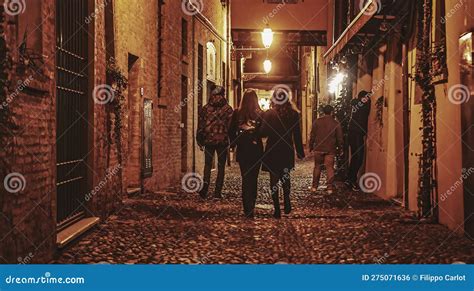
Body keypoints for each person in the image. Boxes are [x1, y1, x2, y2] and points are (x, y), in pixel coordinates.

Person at [260, 89, 305, 219]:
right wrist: (300, 152)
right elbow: (297, 135)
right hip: (287, 149)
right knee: (285, 176)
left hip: (273, 149)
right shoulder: (293, 114)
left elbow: (263, 132)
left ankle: (276, 209)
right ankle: (287, 200)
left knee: (273, 180)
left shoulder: (269, 114)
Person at [229, 90, 264, 218]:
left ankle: (247, 207)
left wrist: (234, 143)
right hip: (256, 150)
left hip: (243, 149)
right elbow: (264, 131)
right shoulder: (260, 114)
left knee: (245, 178)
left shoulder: (237, 113)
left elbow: (230, 131)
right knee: (254, 178)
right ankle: (252, 204)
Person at [196, 85, 234, 199]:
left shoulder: (206, 108)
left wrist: (200, 140)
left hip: (209, 140)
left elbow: (201, 125)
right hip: (222, 141)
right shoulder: (228, 109)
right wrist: (231, 141)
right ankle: (217, 192)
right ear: (223, 94)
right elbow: (231, 126)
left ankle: (205, 189)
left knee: (207, 165)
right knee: (221, 166)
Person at [309, 105, 343, 194]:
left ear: (323, 112)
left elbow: (312, 135)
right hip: (330, 148)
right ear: (332, 112)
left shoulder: (317, 121)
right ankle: (329, 188)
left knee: (317, 167)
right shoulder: (335, 123)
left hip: (319, 148)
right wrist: (340, 148)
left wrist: (311, 145)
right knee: (330, 168)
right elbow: (339, 138)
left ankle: (314, 187)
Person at [346, 90, 372, 192]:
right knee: (358, 157)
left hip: (356, 133)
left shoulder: (358, 105)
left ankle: (350, 179)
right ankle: (351, 179)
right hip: (356, 133)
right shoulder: (360, 105)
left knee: (356, 157)